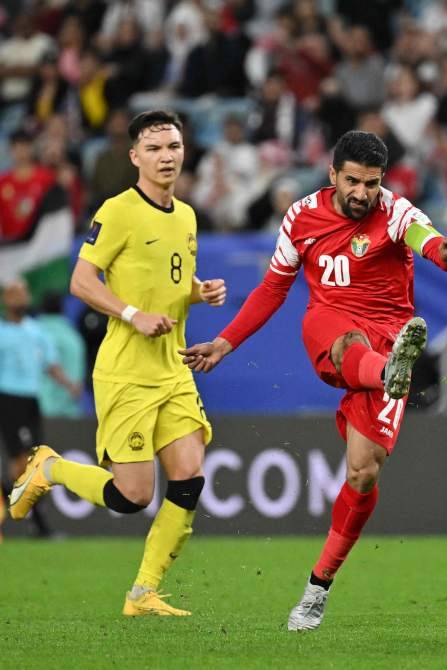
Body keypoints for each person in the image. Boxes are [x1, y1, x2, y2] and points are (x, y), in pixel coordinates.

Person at [178, 130, 447, 632]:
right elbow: (272, 289)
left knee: (363, 473)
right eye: (353, 181)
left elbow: (431, 245)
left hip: (389, 335)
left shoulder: (397, 213)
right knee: (345, 340)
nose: (362, 193)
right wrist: (224, 343)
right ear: (333, 174)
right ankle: (391, 372)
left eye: (372, 184)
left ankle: (317, 589)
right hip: (332, 325)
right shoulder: (301, 217)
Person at [8, 110, 227, 617]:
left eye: (172, 145)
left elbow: (170, 283)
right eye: (154, 149)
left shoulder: (189, 216)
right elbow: (81, 281)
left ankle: (143, 592)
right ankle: (50, 467)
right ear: (135, 158)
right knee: (132, 496)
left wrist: (199, 292)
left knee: (190, 476)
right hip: (126, 371)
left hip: (172, 368)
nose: (166, 156)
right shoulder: (119, 210)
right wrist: (132, 314)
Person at [0, 278, 81, 538]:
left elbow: (51, 365)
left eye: (23, 292)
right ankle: (38, 525)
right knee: (21, 465)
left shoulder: (37, 332)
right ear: (5, 299)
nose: (20, 298)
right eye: (14, 293)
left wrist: (69, 384)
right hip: (8, 399)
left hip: (32, 401)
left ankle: (30, 519)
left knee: (35, 463)